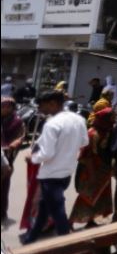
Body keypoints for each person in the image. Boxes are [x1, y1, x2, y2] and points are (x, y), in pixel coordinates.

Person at [21, 91, 89, 244]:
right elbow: (84, 142)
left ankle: (67, 244)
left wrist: (31, 158)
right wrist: (67, 148)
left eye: (42, 105)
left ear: (53, 103)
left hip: (51, 175)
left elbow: (46, 154)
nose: (39, 109)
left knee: (58, 210)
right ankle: (31, 237)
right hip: (66, 172)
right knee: (44, 207)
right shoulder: (78, 119)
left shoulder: (52, 124)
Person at [70, 108, 115, 227]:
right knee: (87, 196)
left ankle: (91, 220)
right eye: (111, 117)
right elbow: (85, 156)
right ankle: (70, 221)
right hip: (91, 170)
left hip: (103, 170)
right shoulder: (92, 134)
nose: (113, 120)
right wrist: (93, 174)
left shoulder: (107, 131)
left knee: (98, 196)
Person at [1, 96, 25, 227]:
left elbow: (21, 136)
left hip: (6, 156)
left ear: (11, 108)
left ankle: (2, 212)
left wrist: (14, 144)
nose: (3, 109)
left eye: (6, 106)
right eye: (2, 106)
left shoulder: (17, 121)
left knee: (3, 185)